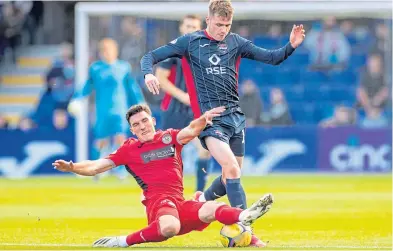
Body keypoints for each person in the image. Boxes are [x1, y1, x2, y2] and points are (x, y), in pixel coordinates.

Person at [140, 0, 305, 246]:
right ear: (208, 20)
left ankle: (201, 200)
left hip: (235, 118)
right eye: (219, 24)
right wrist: (148, 73)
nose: (223, 30)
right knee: (232, 169)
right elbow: (150, 56)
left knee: (230, 179)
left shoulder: (236, 42)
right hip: (209, 121)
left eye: (227, 25)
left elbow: (272, 58)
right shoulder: (191, 42)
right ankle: (247, 233)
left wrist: (290, 46)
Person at [53, 104, 274, 248]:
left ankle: (244, 217)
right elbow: (95, 166)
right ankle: (122, 242)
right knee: (170, 227)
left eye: (144, 121)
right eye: (136, 125)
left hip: (179, 203)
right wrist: (73, 167)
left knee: (211, 209)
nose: (142, 127)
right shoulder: (128, 150)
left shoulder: (169, 138)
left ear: (153, 121)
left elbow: (190, 130)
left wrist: (203, 119)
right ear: (132, 130)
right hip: (159, 204)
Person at [68, 38, 145, 181]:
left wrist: (141, 103)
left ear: (115, 51)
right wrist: (77, 98)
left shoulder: (124, 67)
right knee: (100, 141)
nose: (107, 53)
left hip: (120, 110)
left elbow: (132, 88)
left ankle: (121, 171)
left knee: (121, 139)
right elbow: (86, 86)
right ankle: (94, 171)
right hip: (102, 111)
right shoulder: (96, 68)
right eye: (104, 50)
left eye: (109, 50)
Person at [156, 14, 211, 192]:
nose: (191, 30)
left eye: (194, 27)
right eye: (188, 26)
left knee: (205, 149)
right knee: (167, 155)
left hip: (196, 111)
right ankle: (161, 191)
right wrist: (183, 96)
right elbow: (160, 78)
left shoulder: (206, 51)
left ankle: (199, 194)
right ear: (182, 28)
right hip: (174, 109)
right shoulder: (173, 49)